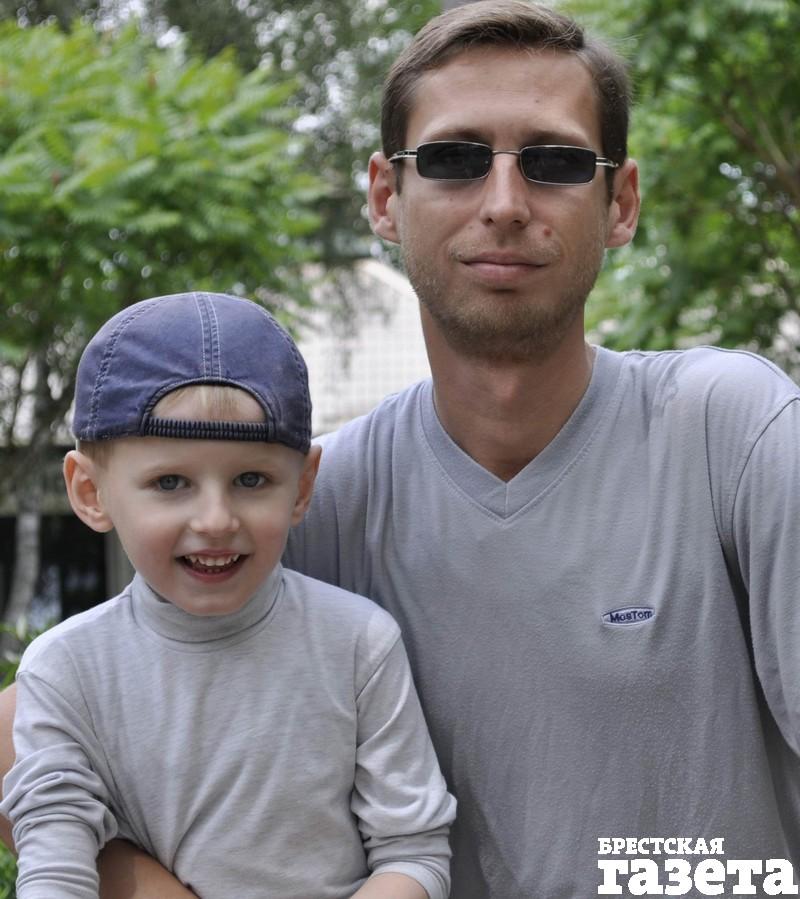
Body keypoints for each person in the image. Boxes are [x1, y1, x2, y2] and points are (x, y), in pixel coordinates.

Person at [2, 0, 799, 896]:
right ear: (386, 197)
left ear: (621, 203)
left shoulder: (732, 432)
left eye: (557, 162)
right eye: (456, 159)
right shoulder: (313, 499)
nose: (506, 204)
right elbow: (29, 732)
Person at [0, 291, 455, 899]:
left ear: (302, 487)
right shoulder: (64, 670)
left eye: (251, 479)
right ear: (90, 492)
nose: (216, 520)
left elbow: (413, 851)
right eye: (170, 482)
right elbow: (55, 866)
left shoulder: (359, 645)